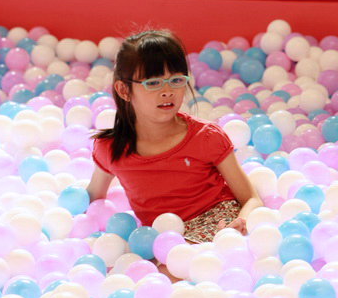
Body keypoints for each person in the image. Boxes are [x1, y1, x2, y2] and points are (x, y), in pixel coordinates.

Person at [85, 29, 262, 252]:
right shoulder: (111, 149)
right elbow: (93, 200)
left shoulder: (206, 137)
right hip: (161, 237)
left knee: (170, 269)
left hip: (215, 221)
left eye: (176, 80)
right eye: (153, 83)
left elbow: (251, 198)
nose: (168, 91)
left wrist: (241, 223)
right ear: (123, 89)